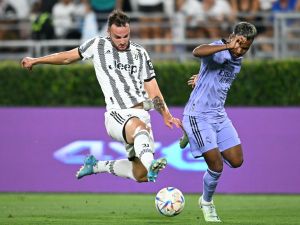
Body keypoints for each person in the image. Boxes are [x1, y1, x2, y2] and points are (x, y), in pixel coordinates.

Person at [21, 10, 181, 183]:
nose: (122, 41)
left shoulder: (140, 53)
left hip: (142, 113)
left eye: (125, 36)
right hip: (117, 115)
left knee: (140, 174)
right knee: (140, 130)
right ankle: (152, 164)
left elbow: (153, 89)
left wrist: (166, 114)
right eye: (117, 37)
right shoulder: (97, 45)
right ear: (108, 33)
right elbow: (67, 58)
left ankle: (97, 166)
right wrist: (37, 60)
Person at [179, 22, 257, 222]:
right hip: (198, 115)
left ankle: (190, 134)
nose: (240, 51)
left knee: (237, 161)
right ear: (232, 37)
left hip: (219, 116)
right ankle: (207, 203)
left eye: (245, 48)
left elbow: (214, 77)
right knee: (216, 165)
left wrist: (201, 78)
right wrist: (226, 46)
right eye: (238, 45)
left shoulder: (237, 59)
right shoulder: (220, 50)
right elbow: (198, 51)